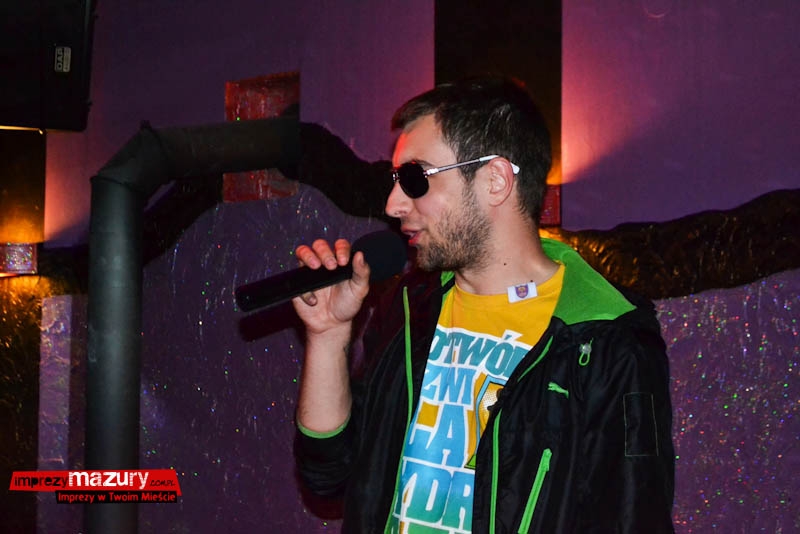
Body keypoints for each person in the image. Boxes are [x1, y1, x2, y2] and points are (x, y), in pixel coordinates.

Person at [291, 76, 675, 533]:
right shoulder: (410, 307)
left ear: (495, 180)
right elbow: (331, 475)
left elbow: (632, 518)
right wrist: (327, 336)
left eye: (414, 179)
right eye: (393, 181)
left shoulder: (607, 340)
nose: (393, 204)